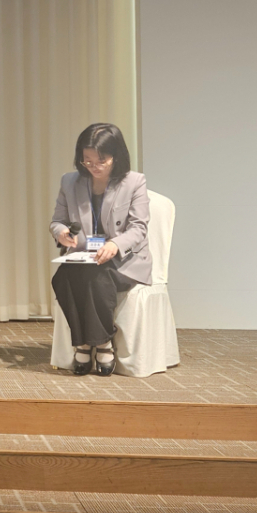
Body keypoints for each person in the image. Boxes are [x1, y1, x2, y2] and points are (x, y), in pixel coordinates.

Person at [50, 122, 151, 377]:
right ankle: (89, 343)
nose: (94, 167)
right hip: (85, 255)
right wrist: (61, 233)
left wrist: (115, 244)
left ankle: (98, 343)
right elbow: (57, 221)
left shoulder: (134, 182)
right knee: (62, 277)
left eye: (101, 161)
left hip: (124, 259)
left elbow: (138, 228)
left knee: (97, 276)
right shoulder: (70, 181)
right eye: (87, 161)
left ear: (116, 156)